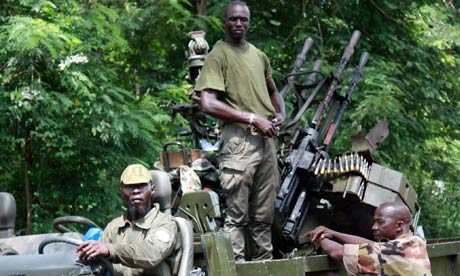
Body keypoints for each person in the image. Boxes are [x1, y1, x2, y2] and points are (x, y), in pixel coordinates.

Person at [194, 0, 286, 261]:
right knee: (236, 218)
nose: (238, 24)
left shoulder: (259, 55)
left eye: (243, 19)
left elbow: (273, 91)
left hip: (267, 142)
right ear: (224, 22)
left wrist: (281, 114)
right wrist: (252, 118)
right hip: (238, 141)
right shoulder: (218, 55)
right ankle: (236, 268)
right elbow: (208, 102)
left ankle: (263, 267)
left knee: (263, 217)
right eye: (233, 19)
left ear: (249, 22)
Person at [76, 164, 181, 276]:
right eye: (130, 186)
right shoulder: (114, 227)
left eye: (141, 185)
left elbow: (151, 254)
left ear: (152, 189)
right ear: (122, 190)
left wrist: (109, 250)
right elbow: (98, 260)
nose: (136, 191)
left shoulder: (165, 223)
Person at [304, 202, 432, 276]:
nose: (373, 227)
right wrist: (332, 233)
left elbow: (337, 253)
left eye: (380, 222)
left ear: (399, 225)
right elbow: (371, 244)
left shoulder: (390, 252)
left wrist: (320, 236)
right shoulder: (415, 241)